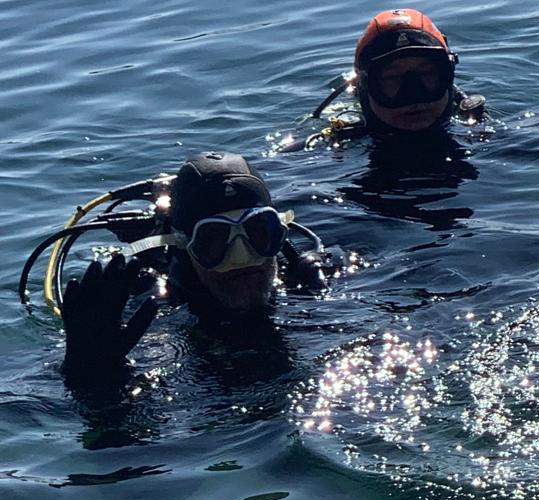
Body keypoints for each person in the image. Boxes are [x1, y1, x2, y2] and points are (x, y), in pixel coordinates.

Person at [38, 152, 326, 385]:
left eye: (258, 233)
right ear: (184, 247)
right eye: (214, 241)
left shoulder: (312, 284)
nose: (242, 258)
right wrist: (89, 376)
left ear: (280, 233)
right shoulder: (156, 316)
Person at [291, 9, 487, 147]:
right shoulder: (331, 146)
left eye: (426, 74)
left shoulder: (484, 132)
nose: (413, 94)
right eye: (392, 78)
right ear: (364, 86)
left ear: (447, 76)